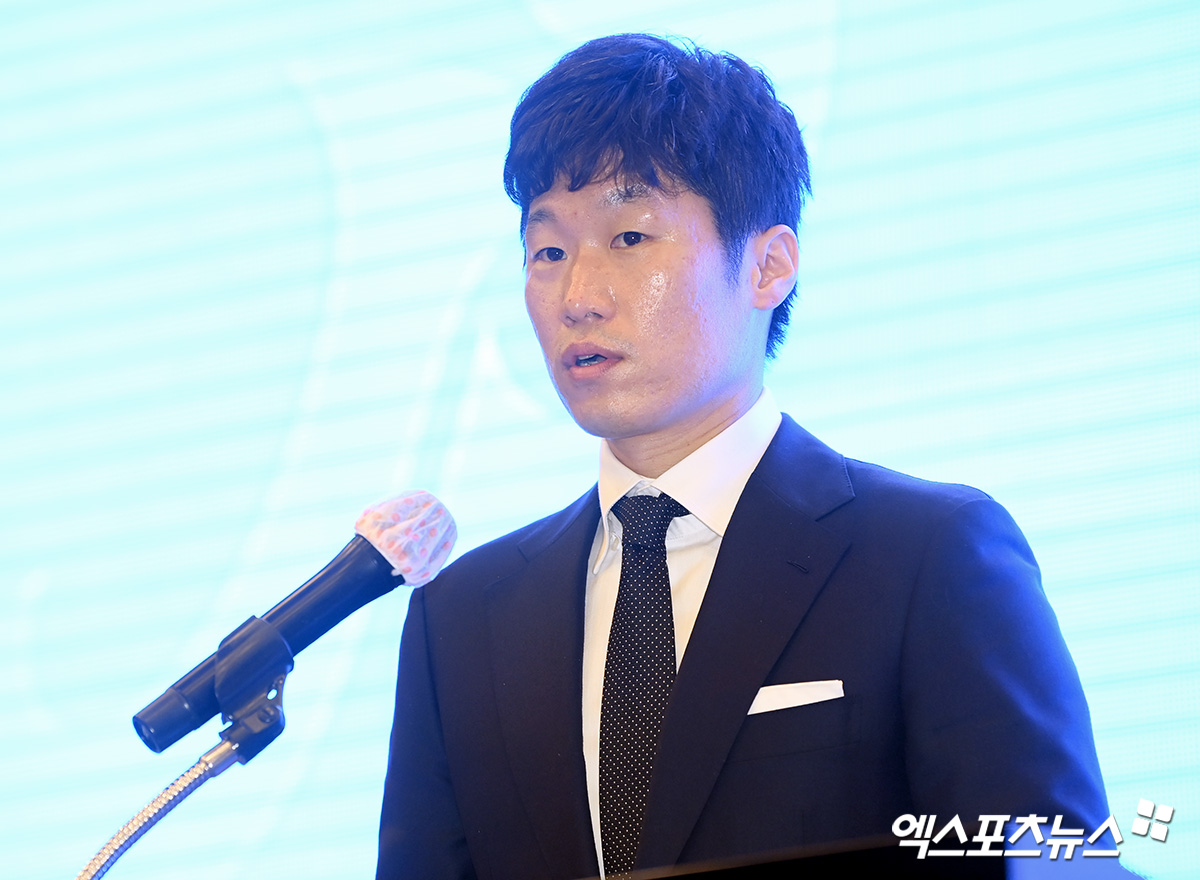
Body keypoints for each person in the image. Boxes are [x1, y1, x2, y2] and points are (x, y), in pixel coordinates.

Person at [375, 33, 1108, 880]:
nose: (577, 296)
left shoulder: (929, 554)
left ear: (768, 267)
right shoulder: (462, 618)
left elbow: (1051, 861)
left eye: (629, 237)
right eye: (548, 252)